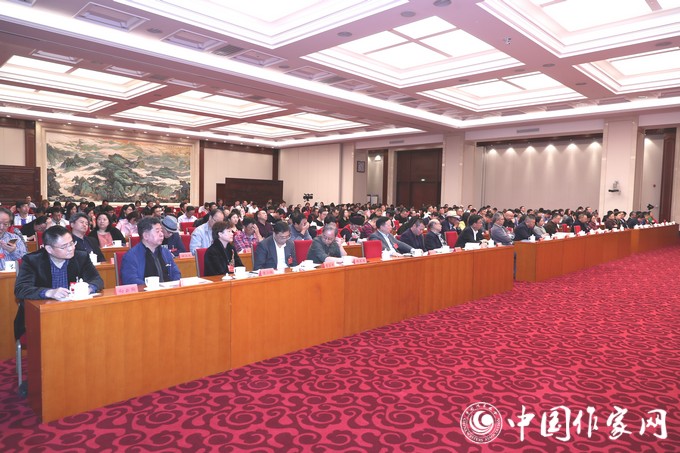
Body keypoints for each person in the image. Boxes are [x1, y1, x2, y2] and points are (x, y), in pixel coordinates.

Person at [14, 225, 104, 338]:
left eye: (72, 243)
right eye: (64, 246)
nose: (71, 248)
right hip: (40, 317)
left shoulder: (81, 256)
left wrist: (89, 288)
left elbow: (97, 280)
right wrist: (49, 292)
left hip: (75, 313)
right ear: (49, 249)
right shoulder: (32, 260)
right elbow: (21, 289)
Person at [121, 217, 181, 285]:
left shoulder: (165, 252)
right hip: (146, 291)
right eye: (157, 231)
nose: (162, 234)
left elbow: (176, 273)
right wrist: (153, 287)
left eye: (161, 231)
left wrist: (173, 285)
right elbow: (131, 280)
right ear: (145, 236)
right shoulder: (131, 256)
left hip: (168, 289)